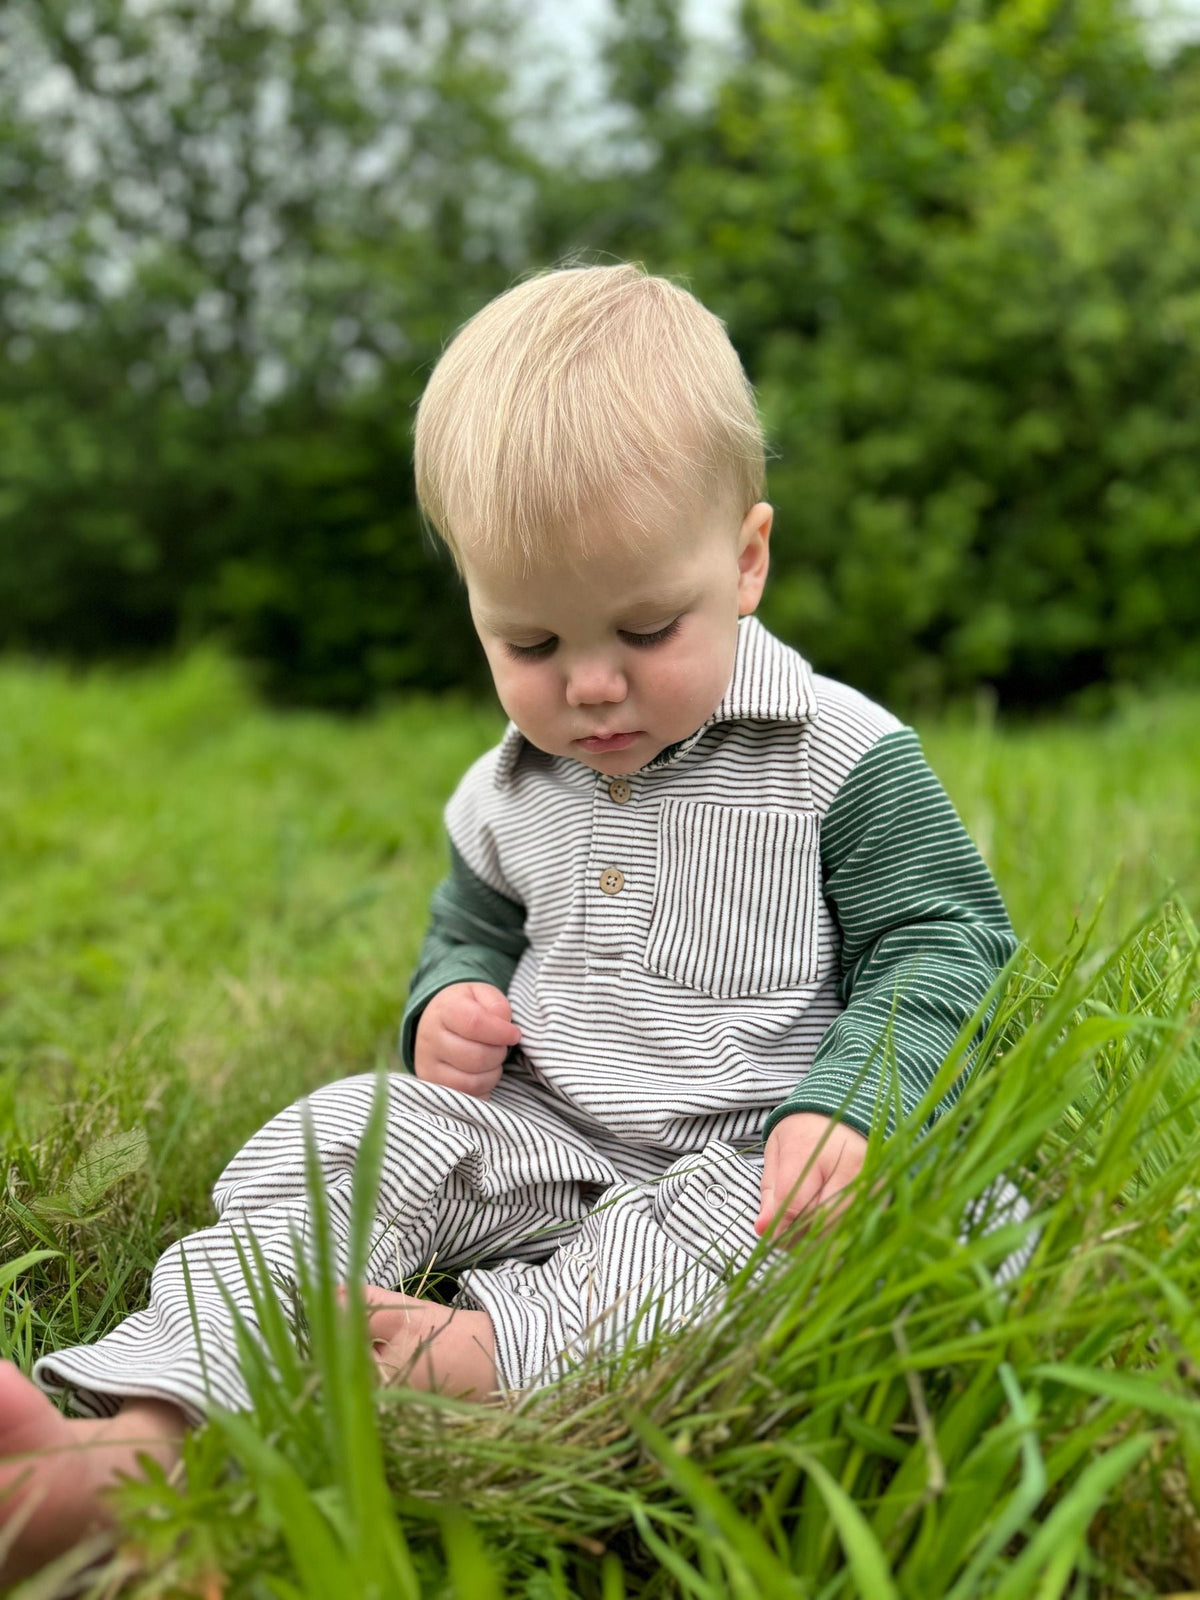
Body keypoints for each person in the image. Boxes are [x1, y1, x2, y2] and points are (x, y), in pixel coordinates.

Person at [0, 262, 1019, 1580]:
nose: (591, 685)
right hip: (549, 1129)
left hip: (757, 1149)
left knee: (748, 1246)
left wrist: (853, 1102)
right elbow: (471, 927)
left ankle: (493, 1362)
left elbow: (946, 941)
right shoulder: (509, 787)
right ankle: (147, 1431)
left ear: (748, 558)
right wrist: (449, 1002)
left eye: (646, 628)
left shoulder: (835, 755)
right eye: (531, 645)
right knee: (347, 1132)